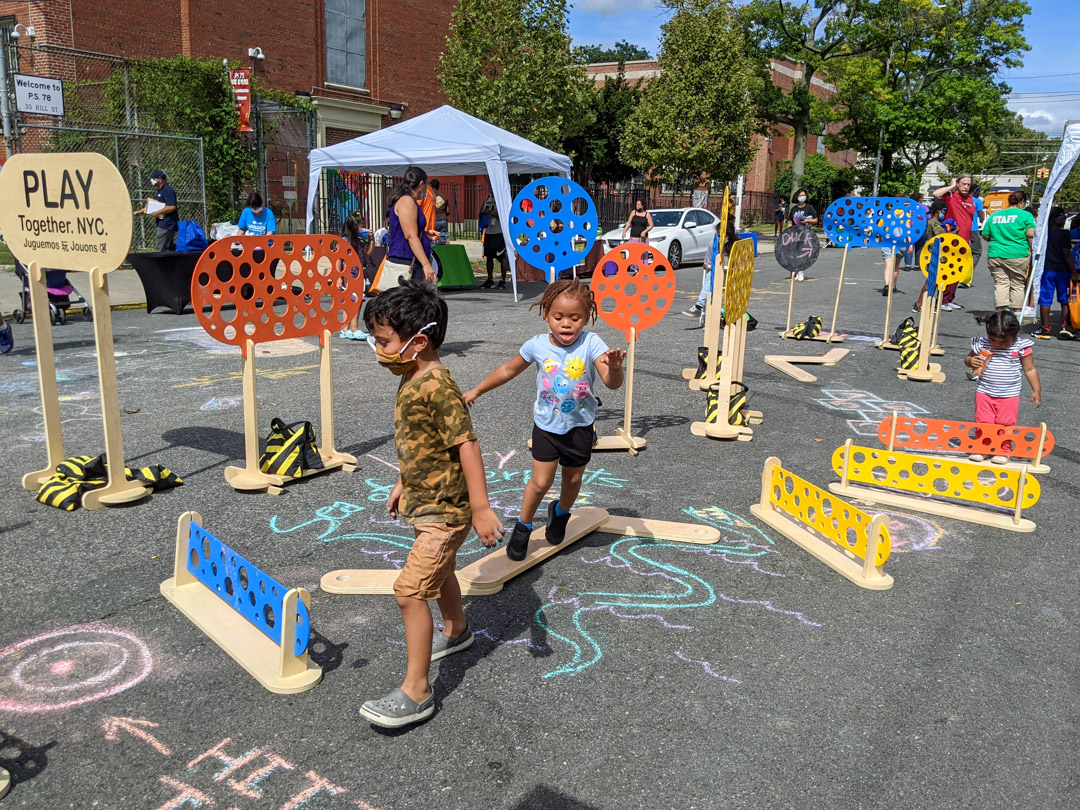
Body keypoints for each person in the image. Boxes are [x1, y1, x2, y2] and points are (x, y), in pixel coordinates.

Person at [358, 279, 503, 729]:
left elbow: (466, 444)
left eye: (383, 341)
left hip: (447, 511)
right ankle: (457, 630)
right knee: (439, 577)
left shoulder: (437, 385)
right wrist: (403, 481)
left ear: (417, 342)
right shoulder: (412, 376)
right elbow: (424, 443)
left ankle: (417, 692)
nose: (377, 349)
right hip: (427, 501)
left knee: (409, 591)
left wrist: (481, 508)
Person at [464, 279, 625, 561]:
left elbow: (612, 383)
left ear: (586, 318)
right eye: (558, 317)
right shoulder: (537, 345)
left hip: (580, 427)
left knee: (573, 480)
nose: (566, 324)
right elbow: (507, 370)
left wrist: (614, 367)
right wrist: (478, 389)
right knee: (540, 482)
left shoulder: (591, 343)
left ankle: (560, 513)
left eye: (574, 318)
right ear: (546, 315)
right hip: (546, 428)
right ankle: (523, 528)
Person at [964, 310, 1041, 464]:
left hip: (1009, 394)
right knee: (982, 421)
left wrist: (1036, 390)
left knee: (1006, 423)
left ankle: (1003, 450)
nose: (998, 344)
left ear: (1014, 336)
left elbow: (1030, 369)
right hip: (984, 391)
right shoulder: (983, 343)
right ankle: (982, 448)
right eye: (993, 340)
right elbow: (968, 358)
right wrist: (971, 361)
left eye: (1003, 342)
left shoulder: (1020, 347)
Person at [981, 190, 1034, 313]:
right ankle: (1016, 313)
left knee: (1001, 283)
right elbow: (1030, 234)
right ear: (1022, 202)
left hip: (996, 254)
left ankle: (1000, 313)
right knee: (1017, 284)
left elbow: (985, 234)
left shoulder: (995, 216)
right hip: (1018, 254)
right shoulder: (1026, 215)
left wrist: (997, 239)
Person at [931, 175, 978, 311]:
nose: (966, 187)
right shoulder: (951, 196)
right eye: (963, 184)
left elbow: (968, 219)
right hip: (951, 239)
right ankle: (941, 300)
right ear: (958, 184)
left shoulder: (970, 199)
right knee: (948, 269)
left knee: (958, 270)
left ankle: (949, 298)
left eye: (968, 184)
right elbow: (935, 194)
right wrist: (951, 186)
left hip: (964, 239)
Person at [385, 167, 437, 286]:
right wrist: (426, 264)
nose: (426, 190)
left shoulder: (409, 201)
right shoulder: (407, 202)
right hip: (406, 262)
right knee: (411, 302)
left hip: (409, 261)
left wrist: (425, 234)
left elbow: (407, 231)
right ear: (421, 184)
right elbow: (411, 237)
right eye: (426, 185)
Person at [683, 213, 736, 319]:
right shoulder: (713, 244)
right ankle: (698, 306)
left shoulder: (735, 246)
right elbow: (706, 263)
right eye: (719, 235)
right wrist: (708, 264)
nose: (721, 237)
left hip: (729, 275)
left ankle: (700, 306)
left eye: (723, 235)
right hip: (715, 274)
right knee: (711, 275)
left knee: (714, 275)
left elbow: (739, 264)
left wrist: (729, 264)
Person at [1036, 206, 1078, 340]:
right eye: (1062, 217)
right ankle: (1064, 326)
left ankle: (1045, 328)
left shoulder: (1044, 233)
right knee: (1064, 299)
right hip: (1063, 271)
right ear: (1056, 219)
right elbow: (1067, 253)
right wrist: (1073, 271)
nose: (1064, 219)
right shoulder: (1064, 234)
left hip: (1047, 269)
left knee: (1045, 299)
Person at [339, 211, 374, 341]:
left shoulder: (359, 241)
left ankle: (352, 328)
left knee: (358, 301)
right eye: (361, 226)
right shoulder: (345, 240)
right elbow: (339, 259)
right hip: (347, 275)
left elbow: (369, 252)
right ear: (353, 226)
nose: (363, 228)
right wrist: (338, 277)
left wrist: (372, 239)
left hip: (357, 275)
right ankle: (347, 328)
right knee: (350, 302)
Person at [912, 198, 949, 313]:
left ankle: (928, 304)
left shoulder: (935, 222)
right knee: (930, 281)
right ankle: (919, 304)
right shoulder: (934, 222)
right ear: (938, 210)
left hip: (936, 254)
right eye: (944, 210)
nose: (945, 212)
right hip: (934, 255)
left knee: (935, 281)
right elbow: (942, 236)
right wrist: (954, 231)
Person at [134, 169, 179, 251]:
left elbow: (171, 207)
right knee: (170, 247)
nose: (152, 181)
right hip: (163, 224)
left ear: (160, 179)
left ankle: (160, 264)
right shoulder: (160, 191)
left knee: (160, 249)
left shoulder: (167, 190)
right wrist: (139, 212)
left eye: (154, 179)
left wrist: (157, 213)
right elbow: (153, 206)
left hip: (167, 224)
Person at [785, 191, 817, 282]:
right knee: (794, 253)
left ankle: (801, 271)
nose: (802, 197)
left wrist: (807, 221)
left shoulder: (809, 207)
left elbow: (815, 220)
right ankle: (796, 271)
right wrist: (788, 232)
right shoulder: (794, 209)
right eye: (800, 195)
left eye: (803, 195)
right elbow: (790, 222)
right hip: (795, 234)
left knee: (802, 253)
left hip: (805, 233)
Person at [478, 195, 510, 289]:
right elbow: (482, 210)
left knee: (502, 257)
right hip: (489, 232)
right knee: (489, 257)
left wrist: (491, 213)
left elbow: (504, 216)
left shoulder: (501, 199)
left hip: (498, 232)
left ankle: (502, 280)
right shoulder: (488, 198)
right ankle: (489, 279)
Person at [430, 179, 449, 245]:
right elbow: (448, 211)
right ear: (438, 186)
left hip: (434, 220)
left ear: (431, 186)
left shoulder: (430, 197)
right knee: (443, 239)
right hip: (443, 219)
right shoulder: (444, 197)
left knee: (433, 239)